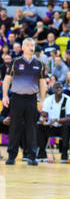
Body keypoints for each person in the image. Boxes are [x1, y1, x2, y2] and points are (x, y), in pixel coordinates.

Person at [2, 37, 47, 165]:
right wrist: (5, 95)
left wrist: (42, 100)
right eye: (28, 45)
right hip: (16, 98)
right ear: (22, 48)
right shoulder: (15, 62)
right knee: (15, 127)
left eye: (32, 45)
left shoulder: (40, 64)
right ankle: (11, 156)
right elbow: (7, 80)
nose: (31, 47)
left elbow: (43, 84)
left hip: (32, 99)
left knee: (31, 128)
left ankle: (32, 156)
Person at [37, 82, 70, 163]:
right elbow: (43, 114)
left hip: (63, 127)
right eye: (57, 88)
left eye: (60, 88)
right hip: (52, 126)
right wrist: (42, 120)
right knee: (40, 126)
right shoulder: (48, 100)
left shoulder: (69, 100)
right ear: (53, 90)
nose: (59, 89)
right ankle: (42, 153)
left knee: (67, 126)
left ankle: (64, 154)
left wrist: (57, 120)